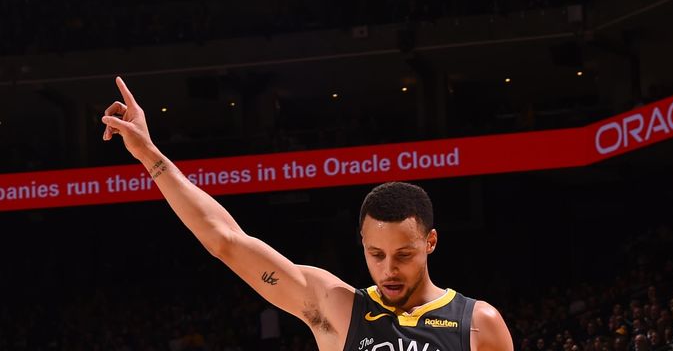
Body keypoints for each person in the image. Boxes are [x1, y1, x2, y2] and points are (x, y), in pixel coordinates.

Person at [101, 77, 514, 351]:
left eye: (403, 255)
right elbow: (225, 240)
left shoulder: (478, 325)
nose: (388, 270)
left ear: (430, 242)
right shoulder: (338, 308)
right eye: (376, 255)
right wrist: (148, 155)